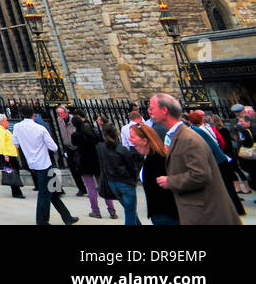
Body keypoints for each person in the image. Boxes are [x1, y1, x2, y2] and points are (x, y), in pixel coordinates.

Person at [150, 92, 240, 225]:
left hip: (206, 214)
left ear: (164, 110)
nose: (149, 111)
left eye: (152, 107)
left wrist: (170, 181)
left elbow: (200, 175)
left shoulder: (188, 138)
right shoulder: (178, 135)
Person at [12, 104, 79, 225]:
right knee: (44, 193)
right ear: (33, 115)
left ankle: (67, 217)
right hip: (44, 164)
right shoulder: (40, 128)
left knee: (53, 192)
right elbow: (54, 147)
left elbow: (15, 143)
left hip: (32, 164)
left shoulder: (17, 127)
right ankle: (42, 221)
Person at [129, 122, 177, 224]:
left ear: (144, 140)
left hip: (166, 215)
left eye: (132, 137)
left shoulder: (156, 159)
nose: (129, 139)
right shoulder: (151, 157)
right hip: (162, 214)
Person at [71, 114, 115, 218]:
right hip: (96, 161)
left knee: (91, 189)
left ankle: (95, 210)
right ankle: (112, 211)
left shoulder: (76, 135)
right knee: (104, 186)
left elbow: (73, 144)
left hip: (84, 163)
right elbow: (99, 141)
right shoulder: (90, 133)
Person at [96, 123, 140, 224]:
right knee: (130, 211)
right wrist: (133, 181)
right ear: (117, 134)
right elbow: (131, 168)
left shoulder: (101, 148)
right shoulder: (122, 149)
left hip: (112, 182)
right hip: (125, 183)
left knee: (129, 210)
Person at [0, 114, 24, 199]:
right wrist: (5, 154)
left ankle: (16, 191)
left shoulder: (4, 129)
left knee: (14, 172)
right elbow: (1, 143)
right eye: (6, 121)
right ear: (2, 121)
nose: (8, 122)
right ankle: (16, 192)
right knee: (12, 173)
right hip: (8, 155)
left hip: (12, 154)